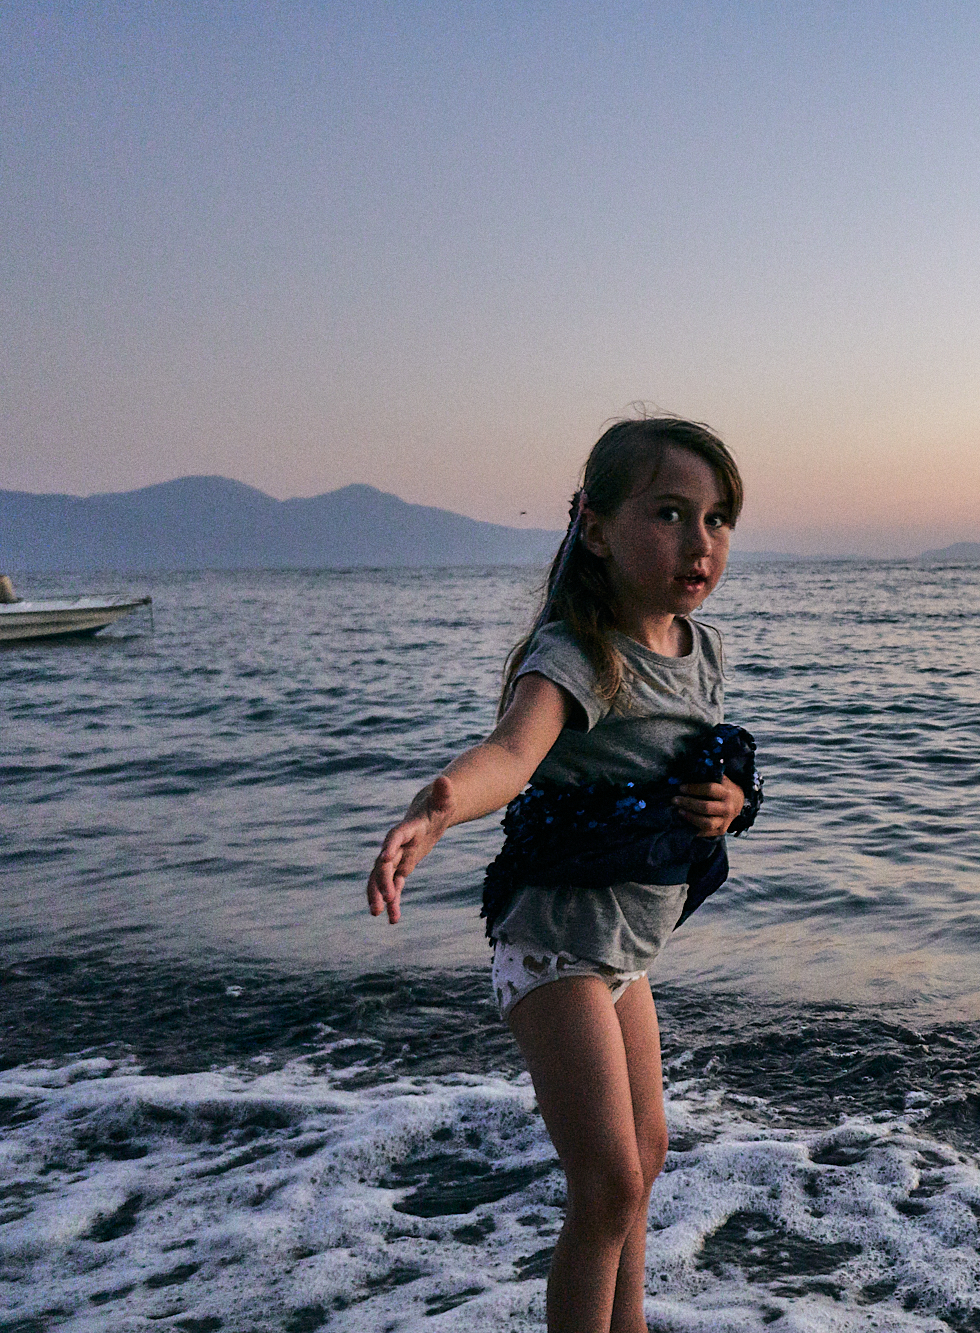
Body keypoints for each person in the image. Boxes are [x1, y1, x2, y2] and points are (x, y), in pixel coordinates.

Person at [366, 416, 751, 1333]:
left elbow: (696, 770)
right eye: (669, 512)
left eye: (718, 518)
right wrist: (440, 804)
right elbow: (513, 752)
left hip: (624, 951)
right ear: (596, 524)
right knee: (607, 1182)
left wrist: (726, 801)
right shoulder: (579, 653)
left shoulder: (701, 653)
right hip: (552, 945)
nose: (699, 541)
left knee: (645, 1158)